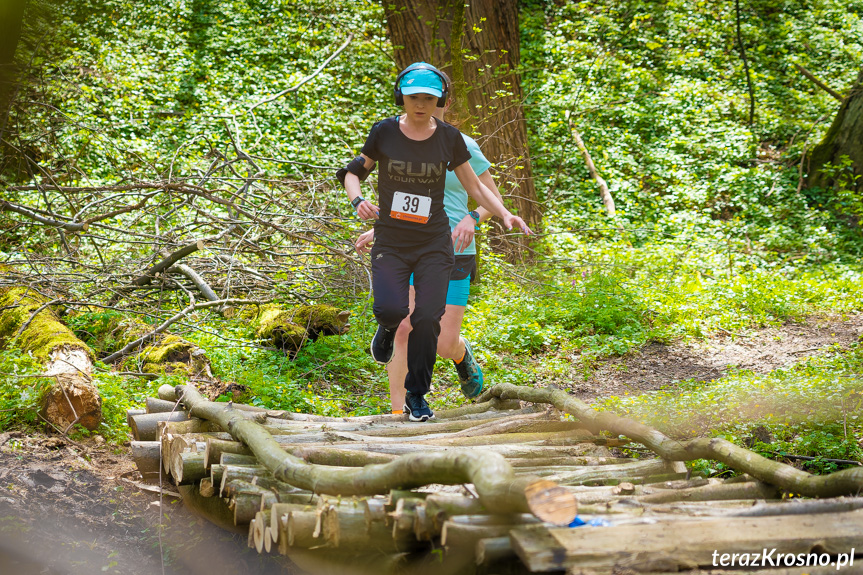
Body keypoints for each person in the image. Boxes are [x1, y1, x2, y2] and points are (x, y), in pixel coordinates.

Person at [338, 62, 531, 422]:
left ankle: (459, 355)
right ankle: (402, 412)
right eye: (416, 98)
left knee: (440, 338)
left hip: (450, 248)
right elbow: (397, 198)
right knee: (403, 325)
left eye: (432, 99)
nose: (425, 106)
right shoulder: (390, 136)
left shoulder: (458, 142)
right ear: (403, 99)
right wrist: (377, 226)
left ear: (444, 101)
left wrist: (480, 218)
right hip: (402, 242)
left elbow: (483, 192)